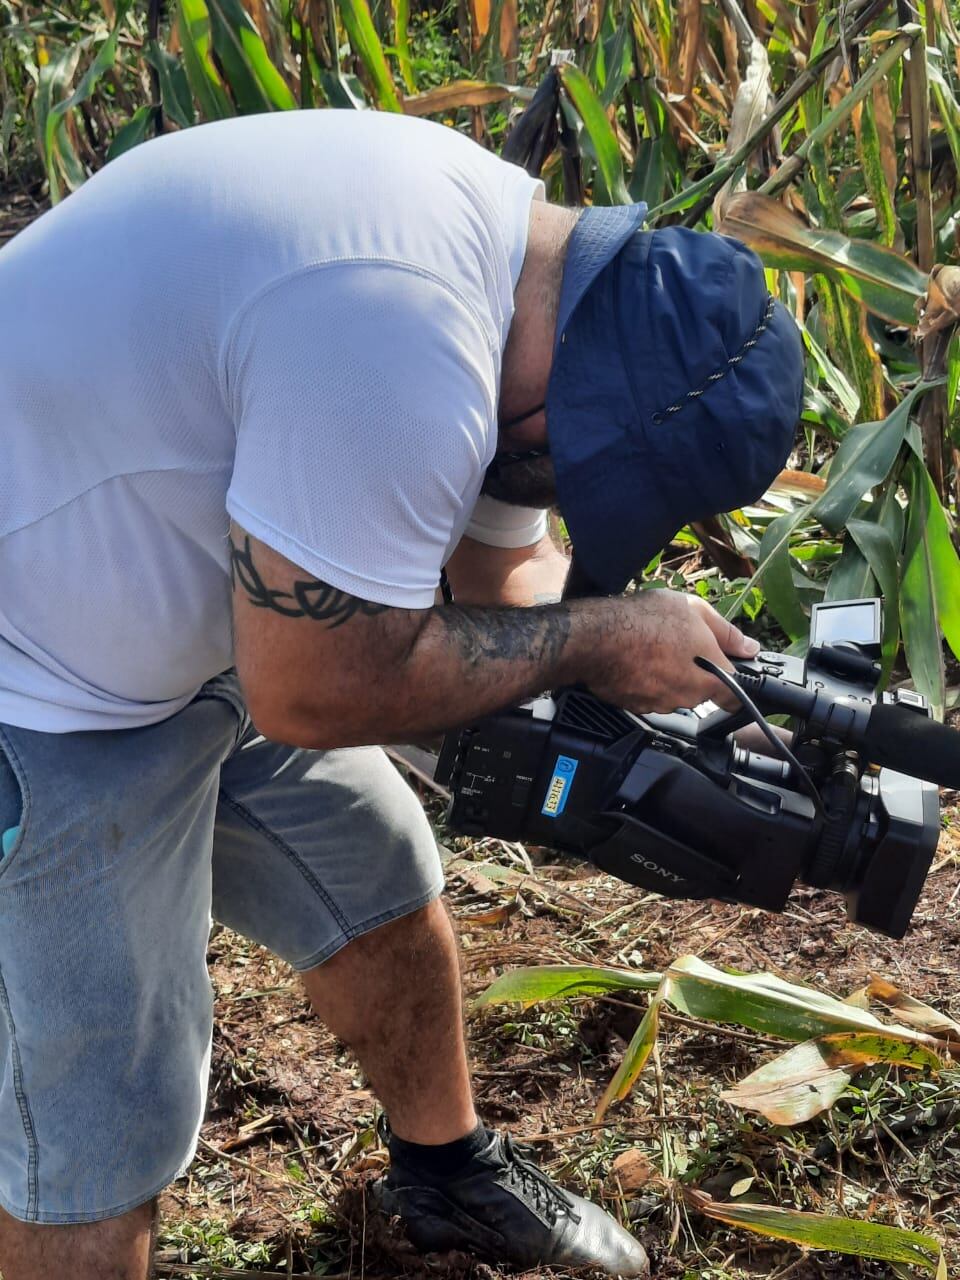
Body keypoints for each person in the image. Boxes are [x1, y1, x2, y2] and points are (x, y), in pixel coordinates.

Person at [0, 108, 803, 1279]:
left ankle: (444, 1172)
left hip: (200, 624)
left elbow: (498, 570)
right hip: (44, 681)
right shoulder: (401, 331)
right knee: (99, 1125)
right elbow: (315, 691)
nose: (567, 491)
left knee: (378, 877)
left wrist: (657, 684)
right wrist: (598, 637)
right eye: (586, 473)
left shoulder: (513, 274)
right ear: (565, 408)